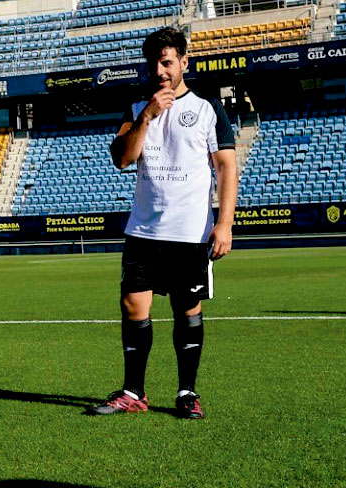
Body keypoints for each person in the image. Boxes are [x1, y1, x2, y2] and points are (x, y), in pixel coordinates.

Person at [90, 27, 239, 420]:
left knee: (187, 308)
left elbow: (226, 166)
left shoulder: (207, 108)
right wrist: (148, 115)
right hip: (143, 229)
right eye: (153, 63)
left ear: (183, 62)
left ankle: (187, 392)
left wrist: (225, 223)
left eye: (167, 62)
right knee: (132, 305)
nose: (159, 71)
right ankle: (133, 392)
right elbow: (122, 158)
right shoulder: (136, 108)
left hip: (190, 231)